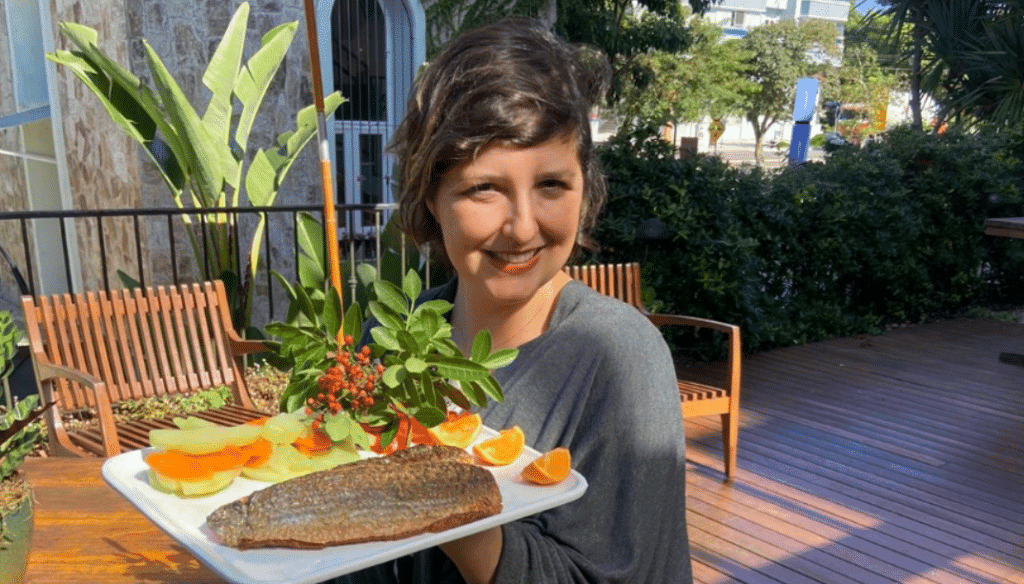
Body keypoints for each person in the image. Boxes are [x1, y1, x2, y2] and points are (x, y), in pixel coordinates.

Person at [330, 18, 692, 584]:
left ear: (584, 188)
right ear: (431, 197)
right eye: (484, 188)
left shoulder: (618, 356)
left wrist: (455, 509)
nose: (522, 228)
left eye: (551, 185)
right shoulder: (388, 342)